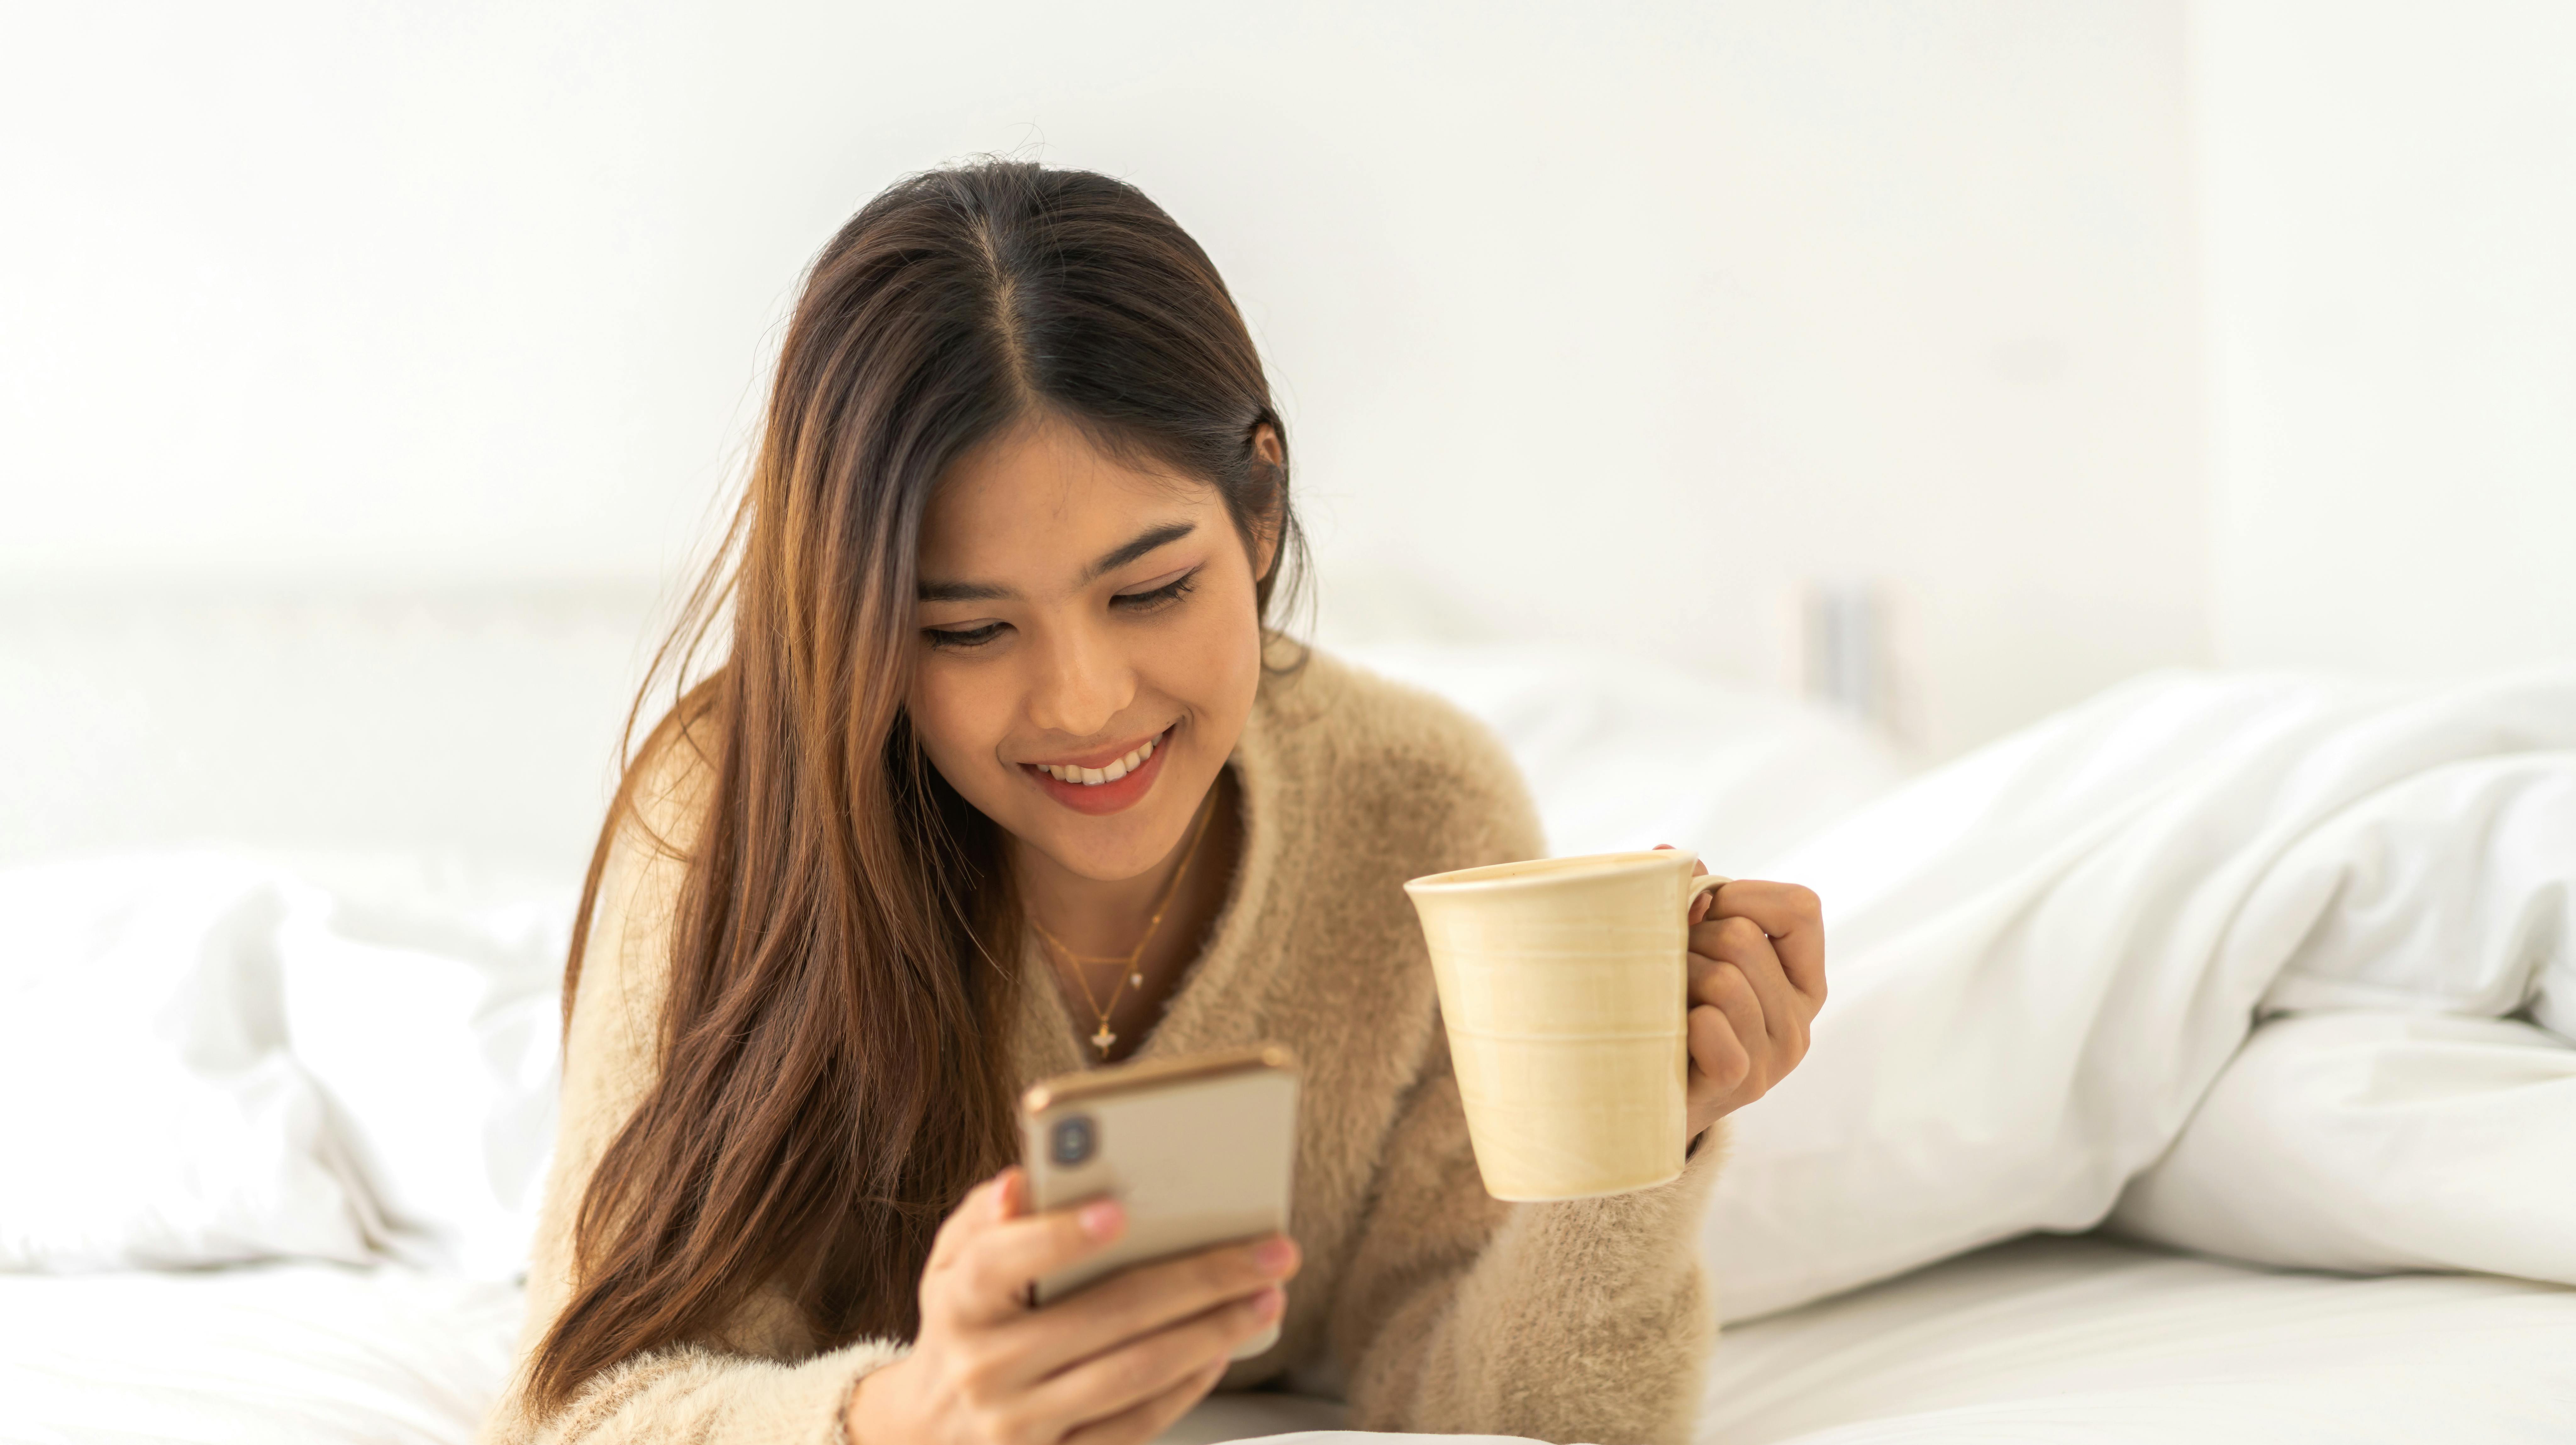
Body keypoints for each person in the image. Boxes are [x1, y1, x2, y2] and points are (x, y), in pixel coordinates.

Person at [484, 159, 1826, 1445]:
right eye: (964, 632)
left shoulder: (1421, 808)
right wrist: (907, 1417)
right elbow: (586, 1412)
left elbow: (1520, 1418)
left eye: (1147, 593)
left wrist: (1649, 1133)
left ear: (1255, 508)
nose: (1080, 703)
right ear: (863, 627)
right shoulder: (727, 817)